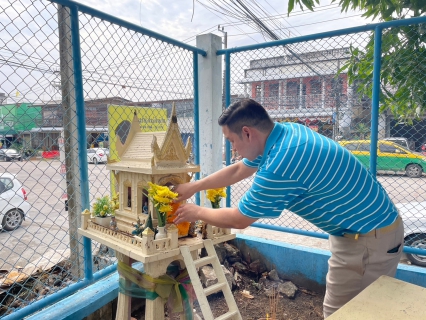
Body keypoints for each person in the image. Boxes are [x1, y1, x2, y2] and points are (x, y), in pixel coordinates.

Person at [173, 98, 403, 318]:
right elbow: (239, 169)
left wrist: (195, 211)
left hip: (371, 239)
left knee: (357, 313)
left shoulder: (281, 163)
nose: (232, 149)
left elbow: (239, 219)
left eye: (231, 141)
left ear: (247, 132)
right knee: (339, 308)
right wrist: (195, 186)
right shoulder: (285, 133)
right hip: (355, 232)